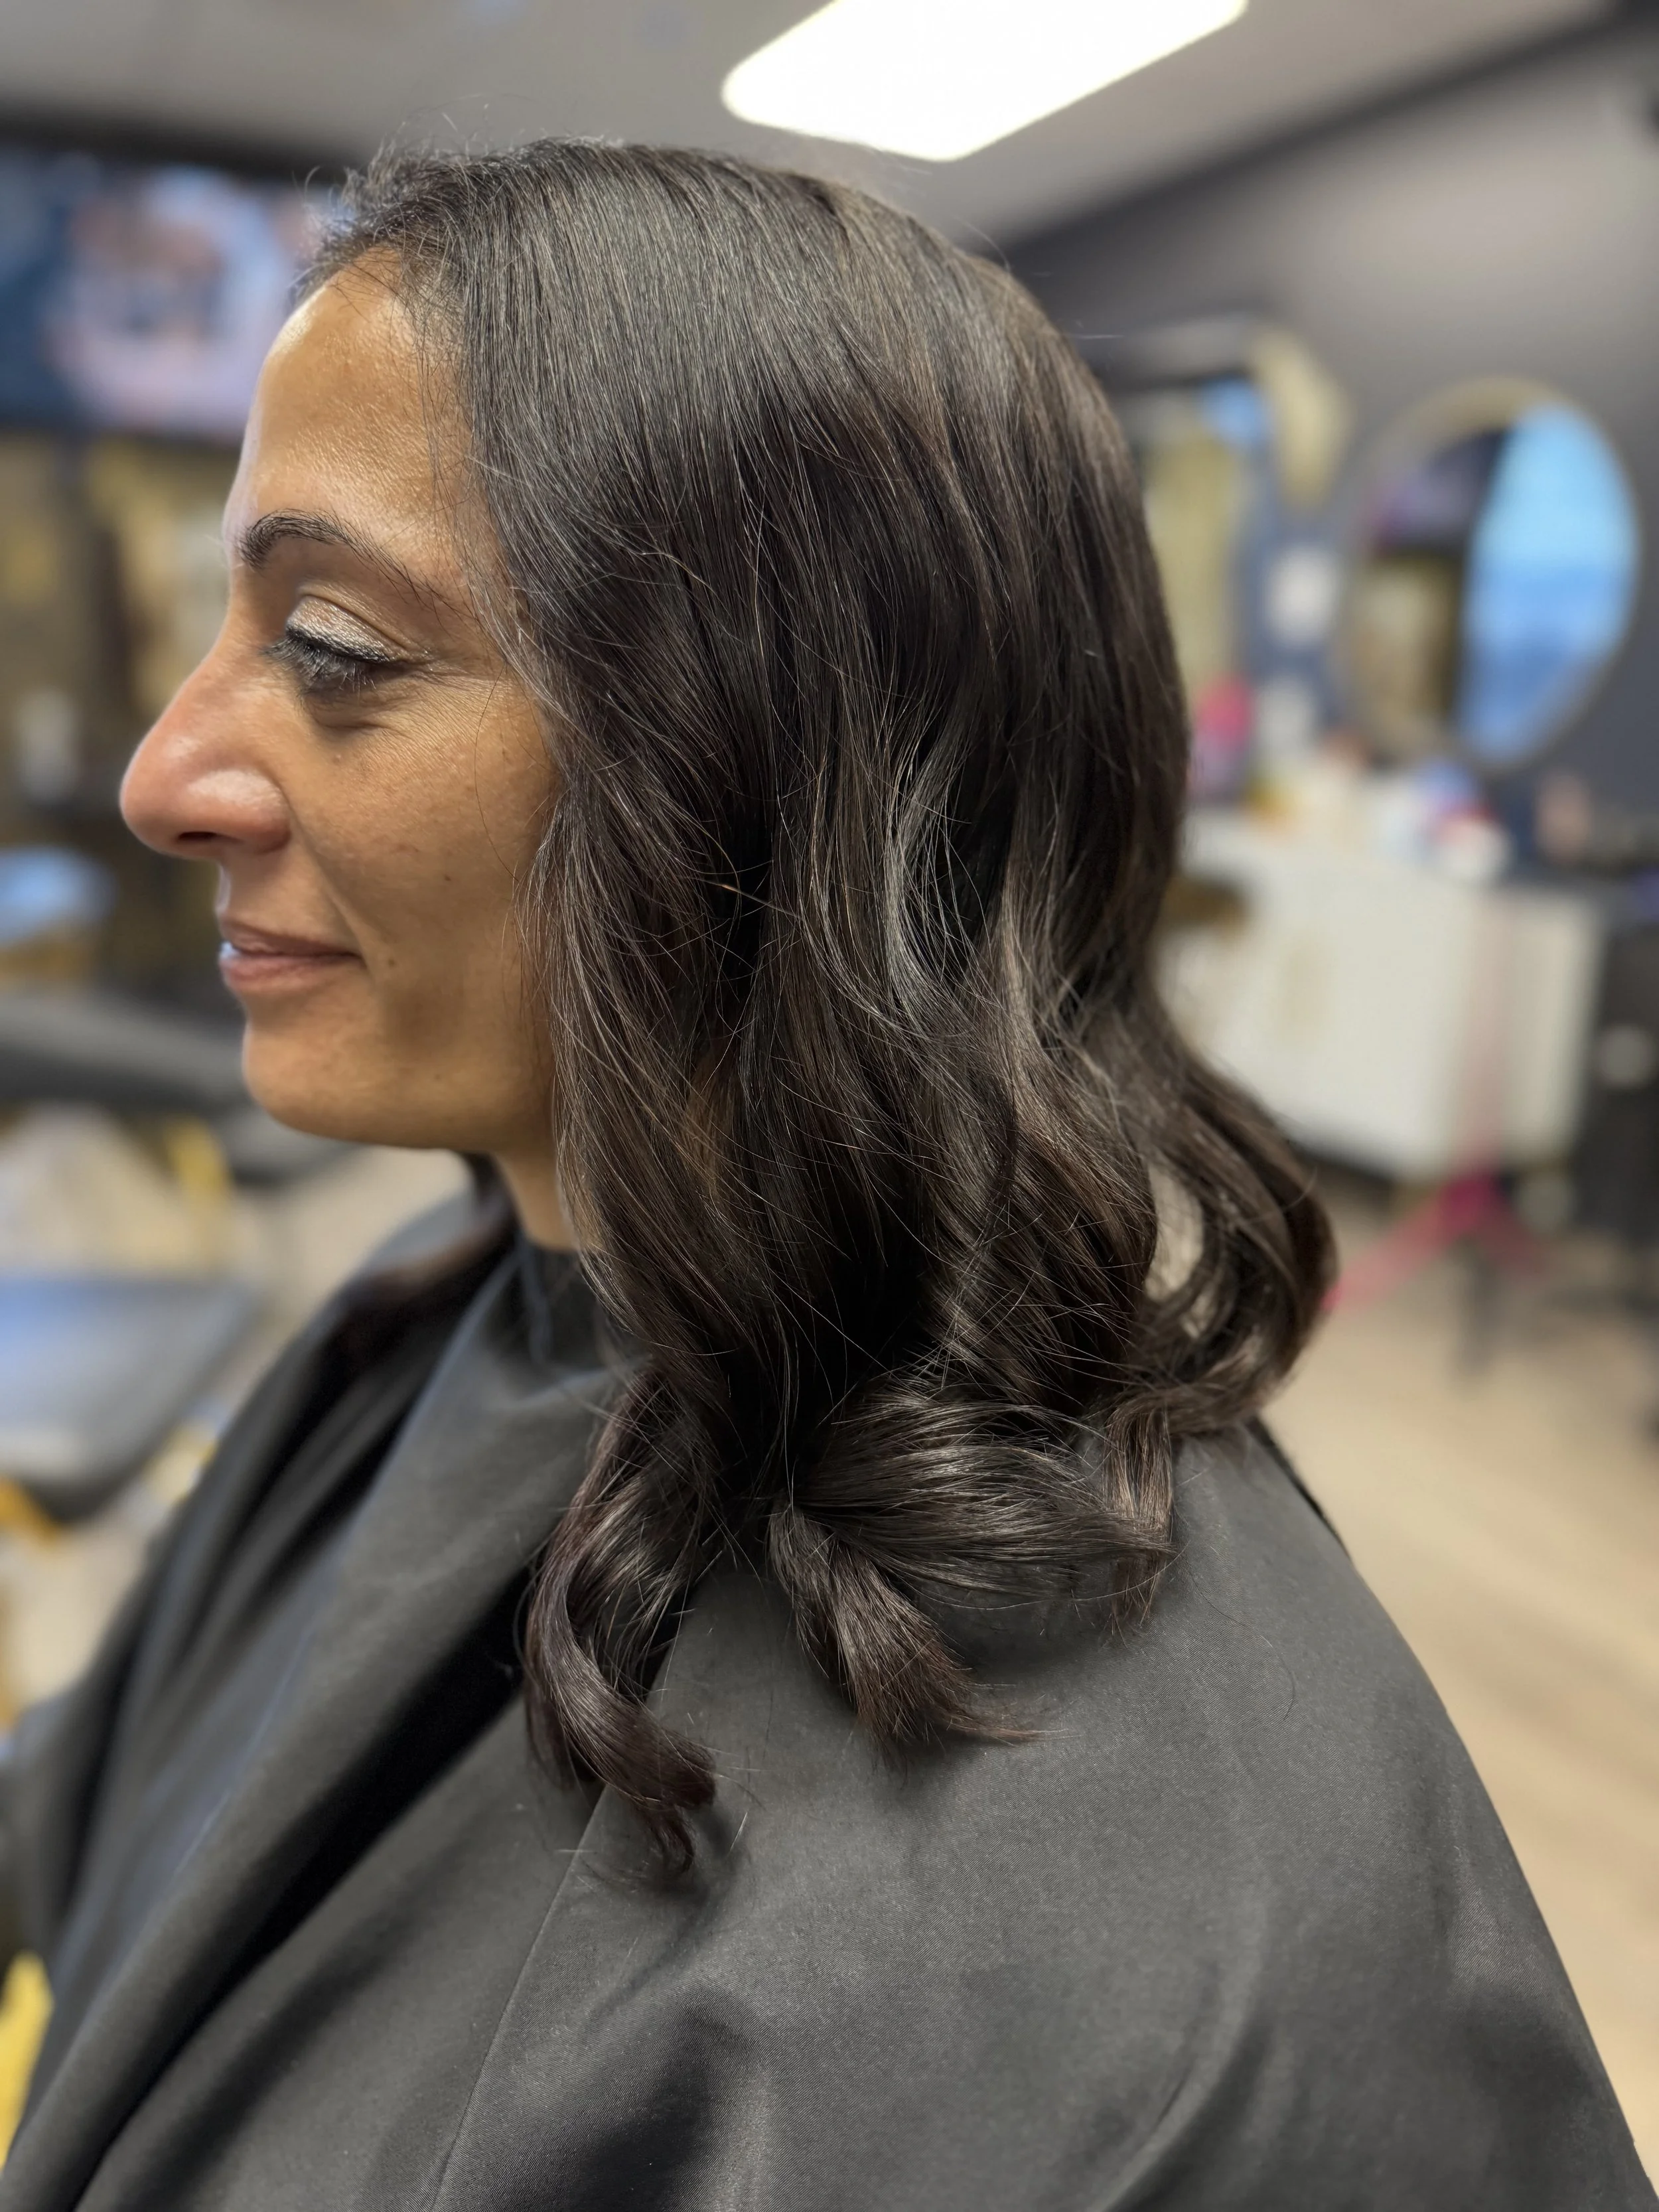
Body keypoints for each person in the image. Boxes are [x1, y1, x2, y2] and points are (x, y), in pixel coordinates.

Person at [0, 141, 1648, 2211]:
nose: (168, 768)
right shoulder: (442, 1320)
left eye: (331, 641)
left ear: (773, 749)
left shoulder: (1168, 1950)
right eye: (221, 624)